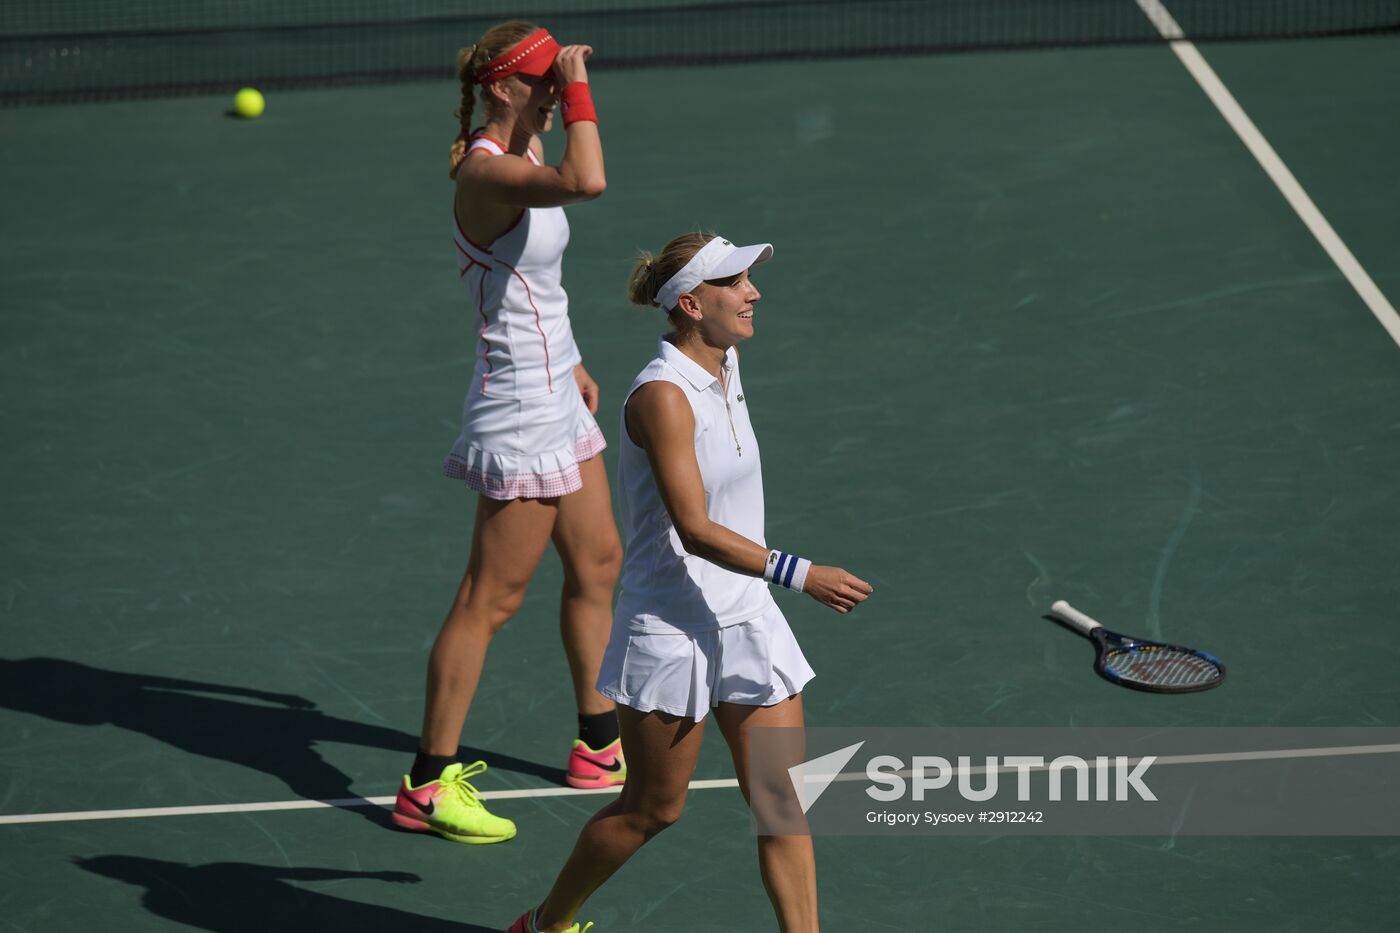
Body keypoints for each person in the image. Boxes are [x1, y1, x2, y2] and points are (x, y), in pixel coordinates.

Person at [507, 232, 873, 932]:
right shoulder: (663, 398)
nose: (753, 292)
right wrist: (801, 573)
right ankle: (548, 922)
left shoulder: (725, 364)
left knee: (782, 802)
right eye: (736, 282)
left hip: (746, 617)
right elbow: (695, 528)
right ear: (690, 302)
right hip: (673, 629)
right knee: (652, 808)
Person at [392, 22, 625, 847]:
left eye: (563, 87)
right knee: (490, 599)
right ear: (502, 90)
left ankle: (598, 744)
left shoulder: (514, 164)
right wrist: (585, 90)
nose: (560, 97)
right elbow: (588, 182)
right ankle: (426, 784)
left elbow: (538, 285)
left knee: (599, 564)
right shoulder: (490, 174)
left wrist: (576, 359)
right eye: (547, 84)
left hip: (557, 386)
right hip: (520, 410)